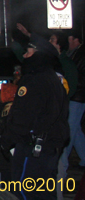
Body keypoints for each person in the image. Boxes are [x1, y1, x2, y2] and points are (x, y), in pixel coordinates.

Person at [1, 34, 69, 200]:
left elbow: (23, 115)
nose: (24, 56)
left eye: (28, 52)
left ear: (39, 55)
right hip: (49, 147)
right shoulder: (54, 79)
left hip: (33, 148)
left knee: (25, 192)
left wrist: (8, 139)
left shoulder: (33, 80)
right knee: (45, 193)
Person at [61, 30, 85, 184]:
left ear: (76, 40)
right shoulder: (74, 53)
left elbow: (78, 76)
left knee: (70, 128)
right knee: (75, 130)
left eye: (70, 40)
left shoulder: (80, 54)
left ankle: (63, 162)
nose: (68, 44)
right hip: (77, 95)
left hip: (78, 96)